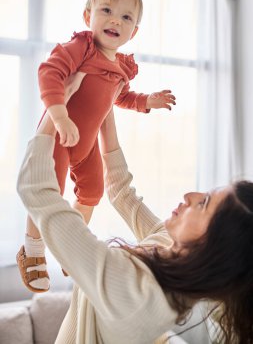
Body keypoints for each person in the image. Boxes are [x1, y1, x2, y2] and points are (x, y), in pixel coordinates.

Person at [17, 86, 253, 343]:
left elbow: (36, 190)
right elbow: (120, 191)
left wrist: (57, 102)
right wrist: (103, 104)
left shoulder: (136, 295)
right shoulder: (169, 245)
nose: (189, 195)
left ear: (217, 245)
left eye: (204, 203)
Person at [17, 0, 176, 293]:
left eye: (126, 17)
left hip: (87, 142)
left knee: (92, 191)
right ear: (88, 16)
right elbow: (50, 73)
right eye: (107, 10)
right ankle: (32, 248)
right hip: (61, 133)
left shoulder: (121, 67)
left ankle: (72, 245)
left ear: (134, 32)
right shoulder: (81, 48)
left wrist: (147, 101)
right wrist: (60, 116)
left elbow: (120, 97)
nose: (116, 20)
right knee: (49, 190)